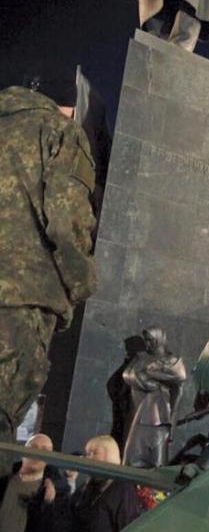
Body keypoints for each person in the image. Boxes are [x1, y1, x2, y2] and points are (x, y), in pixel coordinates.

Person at [0, 74, 97, 472]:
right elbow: (67, 218)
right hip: (18, 301)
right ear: (69, 107)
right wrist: (81, 284)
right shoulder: (59, 131)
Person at [122, 328, 186, 468]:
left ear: (159, 339)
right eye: (146, 340)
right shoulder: (141, 358)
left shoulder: (172, 360)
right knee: (132, 455)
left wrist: (152, 374)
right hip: (141, 412)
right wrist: (147, 381)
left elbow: (180, 376)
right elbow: (128, 375)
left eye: (150, 340)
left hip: (160, 415)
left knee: (157, 459)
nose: (148, 344)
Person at [0, 433, 71, 532]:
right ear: (23, 451)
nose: (38, 453)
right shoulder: (4, 479)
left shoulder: (57, 492)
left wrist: (48, 504)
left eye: (45, 450)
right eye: (34, 447)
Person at [72, 435, 143, 532]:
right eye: (88, 454)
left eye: (94, 453)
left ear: (109, 454)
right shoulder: (88, 487)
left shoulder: (123, 489)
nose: (87, 458)